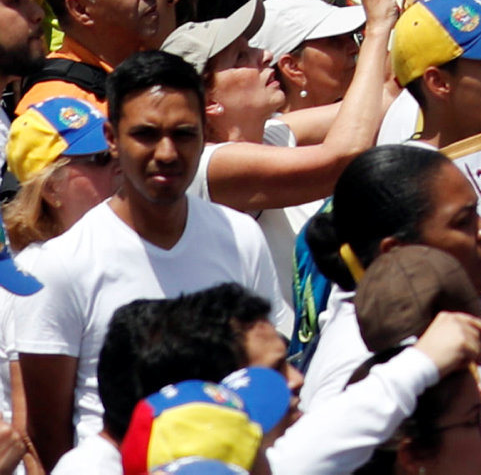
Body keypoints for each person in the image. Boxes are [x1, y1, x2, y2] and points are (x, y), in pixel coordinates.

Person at [18, 56, 289, 456]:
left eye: (183, 134)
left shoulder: (241, 236)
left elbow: (268, 370)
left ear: (204, 135)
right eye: (146, 134)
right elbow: (48, 435)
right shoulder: (59, 267)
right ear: (111, 138)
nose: (166, 153)